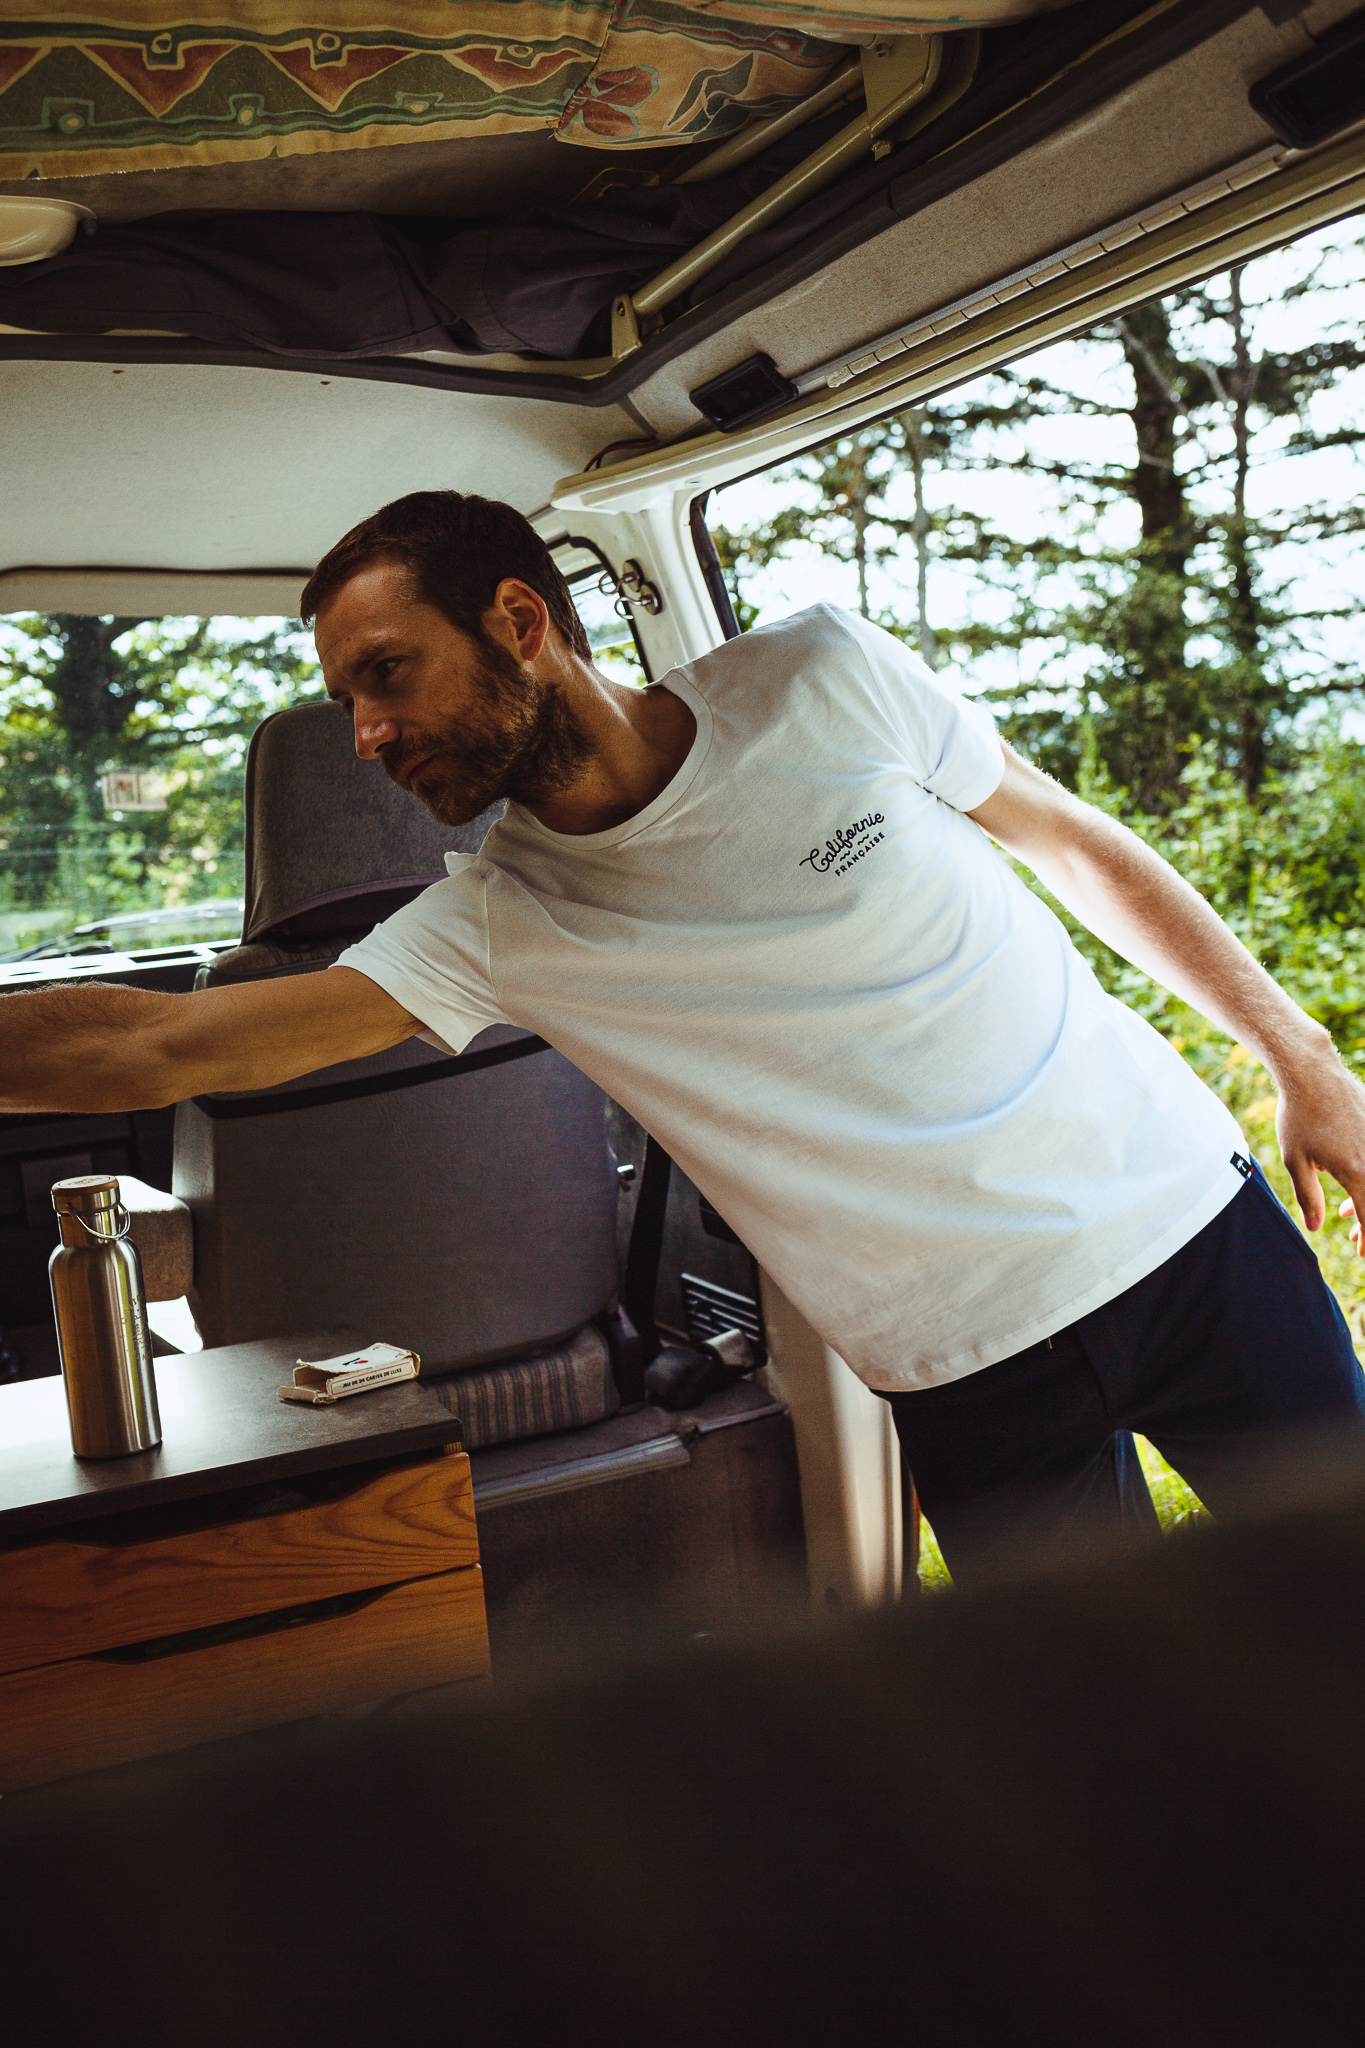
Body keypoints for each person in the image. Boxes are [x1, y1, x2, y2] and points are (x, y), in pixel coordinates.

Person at [6, 491, 1365, 1581]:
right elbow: (157, 1052)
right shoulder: (495, 921)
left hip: (1187, 1235)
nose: (364, 734)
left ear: (520, 620)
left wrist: (1301, 1057)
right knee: (1114, 1743)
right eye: (347, 698)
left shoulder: (825, 676)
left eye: (387, 674)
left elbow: (1072, 845)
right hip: (961, 1369)